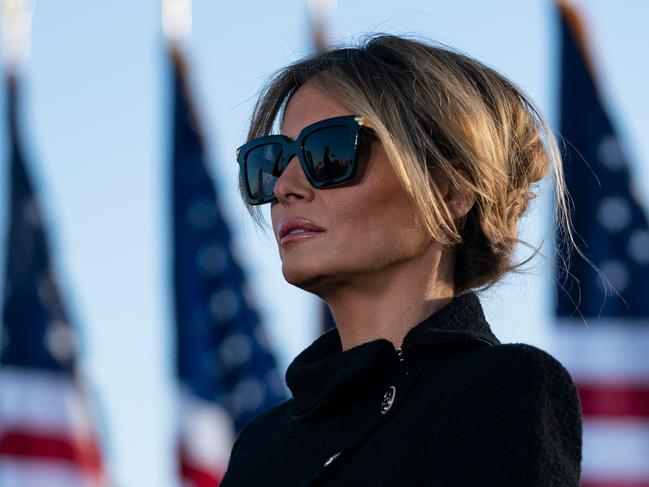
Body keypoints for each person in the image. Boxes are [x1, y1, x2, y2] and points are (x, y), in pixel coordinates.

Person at [220, 34, 582, 486]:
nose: (284, 187)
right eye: (271, 161)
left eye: (329, 152)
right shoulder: (259, 445)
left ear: (449, 189)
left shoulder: (499, 390)